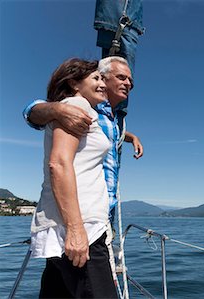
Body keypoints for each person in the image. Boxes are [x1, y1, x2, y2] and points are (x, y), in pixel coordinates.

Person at [30, 58, 117, 298]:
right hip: (82, 229)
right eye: (96, 78)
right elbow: (58, 164)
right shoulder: (76, 105)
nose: (103, 84)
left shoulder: (81, 108)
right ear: (74, 84)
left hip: (71, 226)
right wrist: (76, 230)